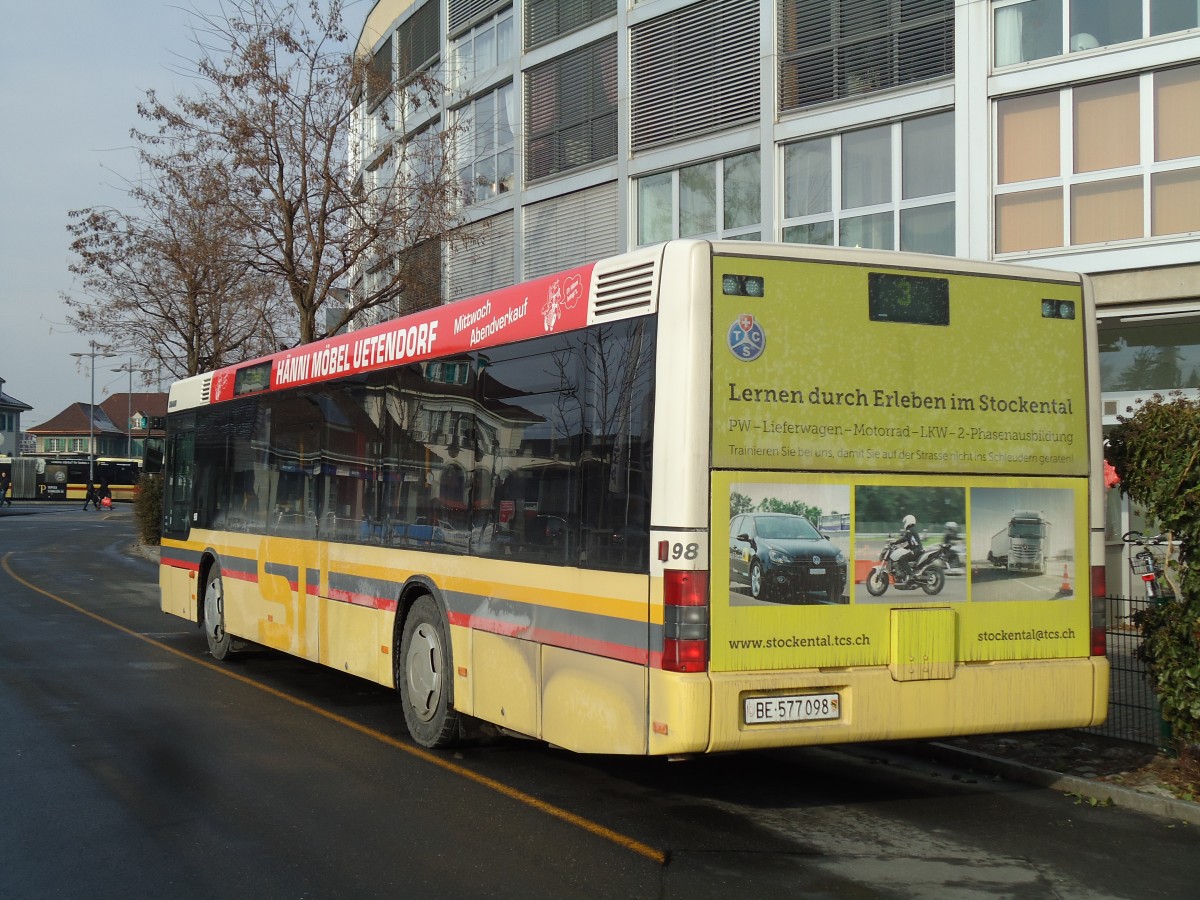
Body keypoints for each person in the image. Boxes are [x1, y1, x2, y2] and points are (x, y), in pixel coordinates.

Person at [890, 514, 924, 583]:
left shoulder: (910, 530)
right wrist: (903, 548)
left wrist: (895, 542)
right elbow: (911, 544)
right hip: (917, 550)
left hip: (917, 550)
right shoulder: (912, 531)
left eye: (905, 522)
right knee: (905, 557)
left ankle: (911, 575)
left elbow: (905, 538)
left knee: (902, 559)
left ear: (908, 521)